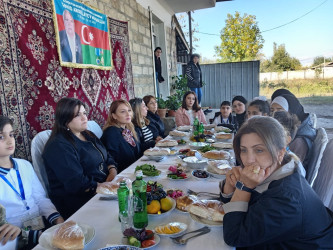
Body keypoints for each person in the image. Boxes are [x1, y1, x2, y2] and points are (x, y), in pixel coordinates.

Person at [220, 116, 333, 248]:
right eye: (244, 150)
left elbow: (234, 236)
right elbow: (234, 213)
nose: (249, 160)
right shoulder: (272, 174)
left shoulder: (287, 198)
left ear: (280, 154)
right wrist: (230, 187)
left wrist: (243, 187)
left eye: (259, 150)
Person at [43, 98, 117, 219]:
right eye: (78, 115)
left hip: (104, 189)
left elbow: (107, 154)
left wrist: (112, 170)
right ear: (65, 120)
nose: (84, 118)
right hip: (81, 202)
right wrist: (104, 188)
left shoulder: (87, 134)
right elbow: (76, 183)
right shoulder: (58, 146)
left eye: (84, 113)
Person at [0, 116, 64, 249]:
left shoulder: (24, 165)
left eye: (11, 134)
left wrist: (57, 219)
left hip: (41, 225)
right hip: (15, 238)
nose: (9, 140)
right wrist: (34, 236)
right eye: (1, 137)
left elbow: (40, 198)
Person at [270, 93, 316, 168]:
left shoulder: (299, 141)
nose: (274, 114)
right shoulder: (291, 132)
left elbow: (290, 168)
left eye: (279, 110)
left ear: (291, 110)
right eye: (272, 110)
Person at [101, 100, 141, 173]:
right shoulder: (111, 132)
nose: (128, 114)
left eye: (129, 110)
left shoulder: (128, 129)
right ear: (114, 116)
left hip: (134, 170)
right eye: (123, 111)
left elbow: (136, 151)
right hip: (123, 174)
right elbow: (113, 160)